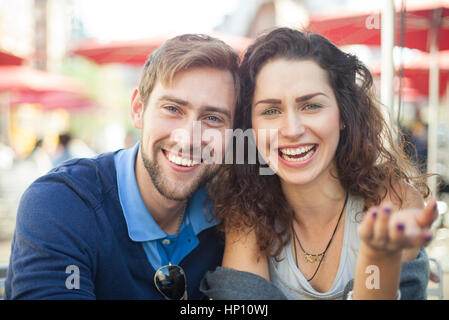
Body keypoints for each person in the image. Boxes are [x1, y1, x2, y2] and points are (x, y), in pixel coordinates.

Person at [201, 28, 437, 300]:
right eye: (271, 111)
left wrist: (376, 260)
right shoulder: (247, 212)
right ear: (250, 127)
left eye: (311, 106)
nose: (291, 129)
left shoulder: (393, 202)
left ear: (343, 114)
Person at [5, 34, 239, 299]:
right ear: (138, 109)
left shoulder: (234, 210)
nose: (188, 138)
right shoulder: (61, 203)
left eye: (212, 118)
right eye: (173, 109)